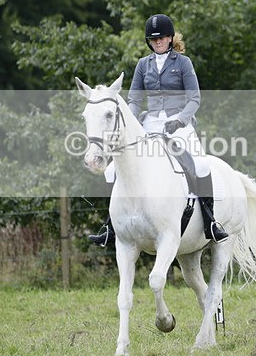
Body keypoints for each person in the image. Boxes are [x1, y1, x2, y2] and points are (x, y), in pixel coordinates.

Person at [88, 14, 229, 246]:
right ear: (149, 42)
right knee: (111, 171)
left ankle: (210, 221)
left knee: (201, 165)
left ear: (170, 38)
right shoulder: (143, 65)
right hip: (150, 124)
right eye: (153, 40)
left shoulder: (183, 63)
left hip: (180, 125)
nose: (158, 42)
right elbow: (134, 99)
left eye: (162, 38)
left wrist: (181, 120)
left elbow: (194, 98)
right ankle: (111, 226)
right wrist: (131, 124)